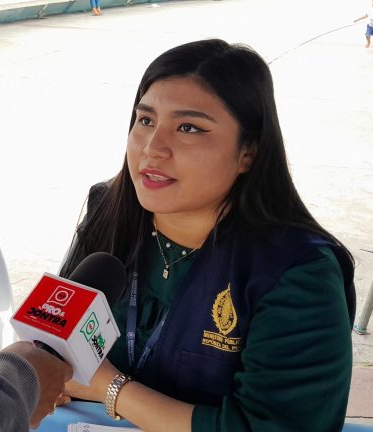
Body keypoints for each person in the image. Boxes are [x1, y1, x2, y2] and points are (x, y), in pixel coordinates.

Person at [59, 39, 356, 431]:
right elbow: (56, 339)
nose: (153, 148)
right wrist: (42, 371)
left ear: (248, 151)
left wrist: (109, 388)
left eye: (188, 128)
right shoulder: (109, 211)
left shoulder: (298, 273)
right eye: (145, 120)